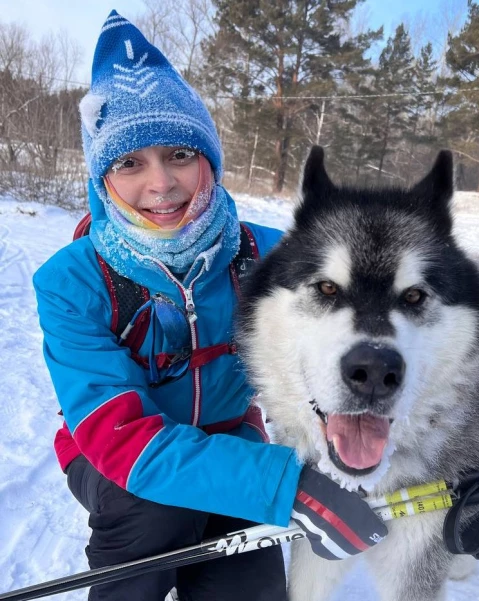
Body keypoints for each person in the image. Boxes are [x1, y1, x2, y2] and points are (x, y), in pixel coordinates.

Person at [33, 10, 387, 601]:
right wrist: (288, 487)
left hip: (230, 438)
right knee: (157, 515)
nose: (162, 184)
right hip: (117, 460)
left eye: (178, 154)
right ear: (103, 178)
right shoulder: (71, 281)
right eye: (129, 162)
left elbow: (367, 327)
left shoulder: (270, 255)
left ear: (209, 159)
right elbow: (118, 435)